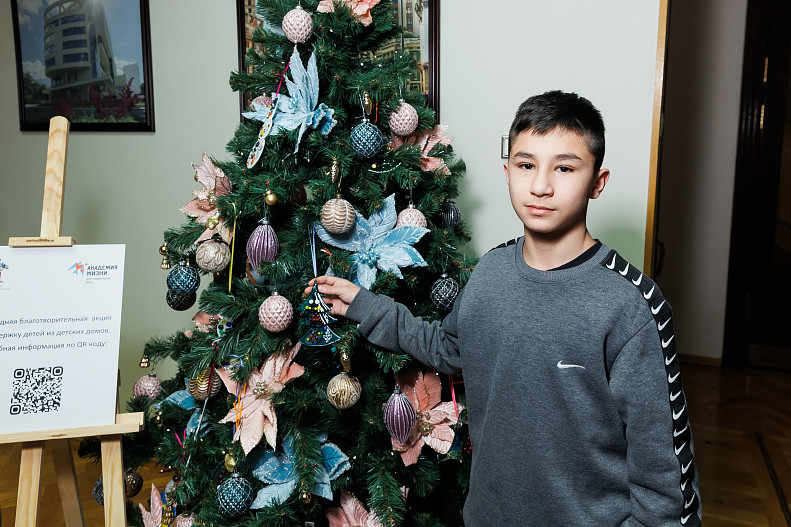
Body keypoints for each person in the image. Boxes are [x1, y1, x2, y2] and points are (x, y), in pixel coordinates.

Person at [307, 91, 701, 526]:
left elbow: (664, 481)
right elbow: (448, 348)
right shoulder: (490, 272)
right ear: (507, 171)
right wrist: (365, 306)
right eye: (526, 165)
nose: (540, 186)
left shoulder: (631, 306)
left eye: (564, 168)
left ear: (597, 181)